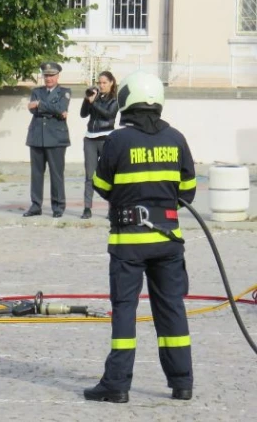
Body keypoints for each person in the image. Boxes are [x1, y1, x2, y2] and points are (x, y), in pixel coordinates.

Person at [84, 71, 196, 404]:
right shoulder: (177, 139)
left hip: (128, 243)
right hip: (168, 241)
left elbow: (101, 187)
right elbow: (188, 192)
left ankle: (117, 385)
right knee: (171, 308)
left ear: (128, 100)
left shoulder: (118, 140)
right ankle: (182, 382)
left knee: (124, 310)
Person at [24, 62, 71, 218]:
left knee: (56, 174)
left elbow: (61, 109)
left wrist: (40, 105)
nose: (49, 78)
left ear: (58, 76)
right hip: (37, 136)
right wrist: (52, 109)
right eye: (46, 75)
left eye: (51, 75)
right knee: (36, 174)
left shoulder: (64, 92)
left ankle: (58, 207)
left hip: (56, 138)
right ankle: (36, 205)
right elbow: (38, 111)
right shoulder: (36, 91)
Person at [79, 71, 119, 219]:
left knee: (109, 175)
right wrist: (87, 99)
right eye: (99, 83)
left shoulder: (114, 100)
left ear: (111, 83)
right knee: (89, 176)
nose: (101, 86)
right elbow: (83, 114)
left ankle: (112, 208)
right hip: (90, 138)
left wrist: (93, 102)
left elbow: (108, 115)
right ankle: (87, 208)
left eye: (104, 83)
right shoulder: (95, 97)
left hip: (106, 138)